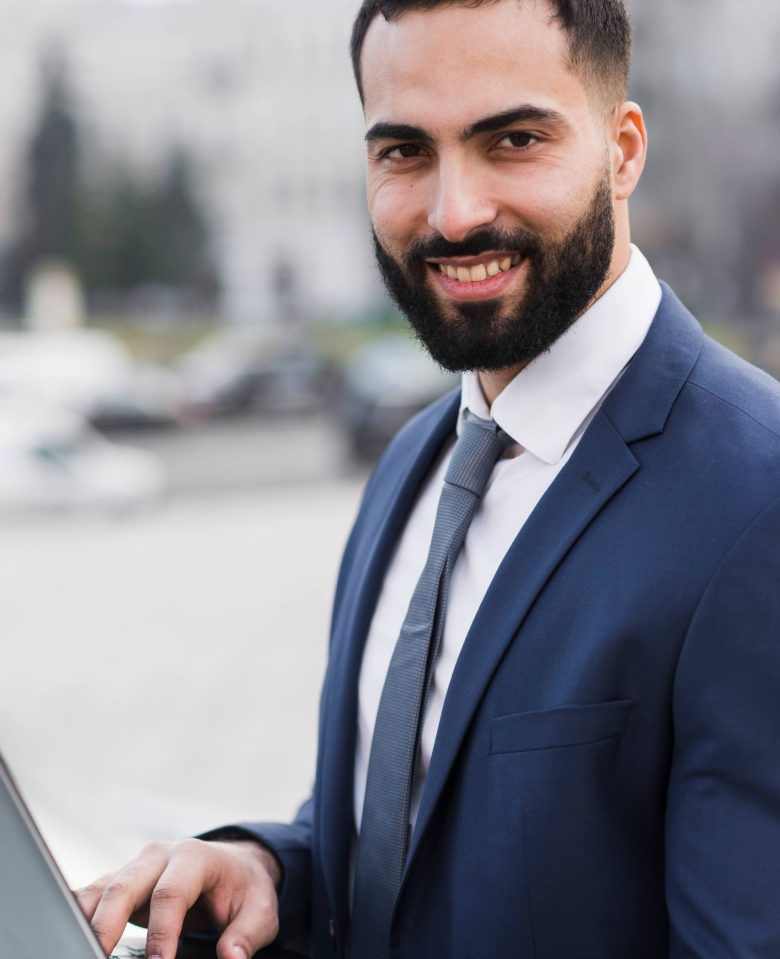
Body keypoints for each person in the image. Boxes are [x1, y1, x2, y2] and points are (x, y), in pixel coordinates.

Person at [77, 1, 780, 957]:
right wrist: (275, 869)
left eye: (515, 139)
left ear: (623, 150)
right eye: (404, 152)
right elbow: (416, 843)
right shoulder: (414, 466)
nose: (455, 214)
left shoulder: (757, 499)